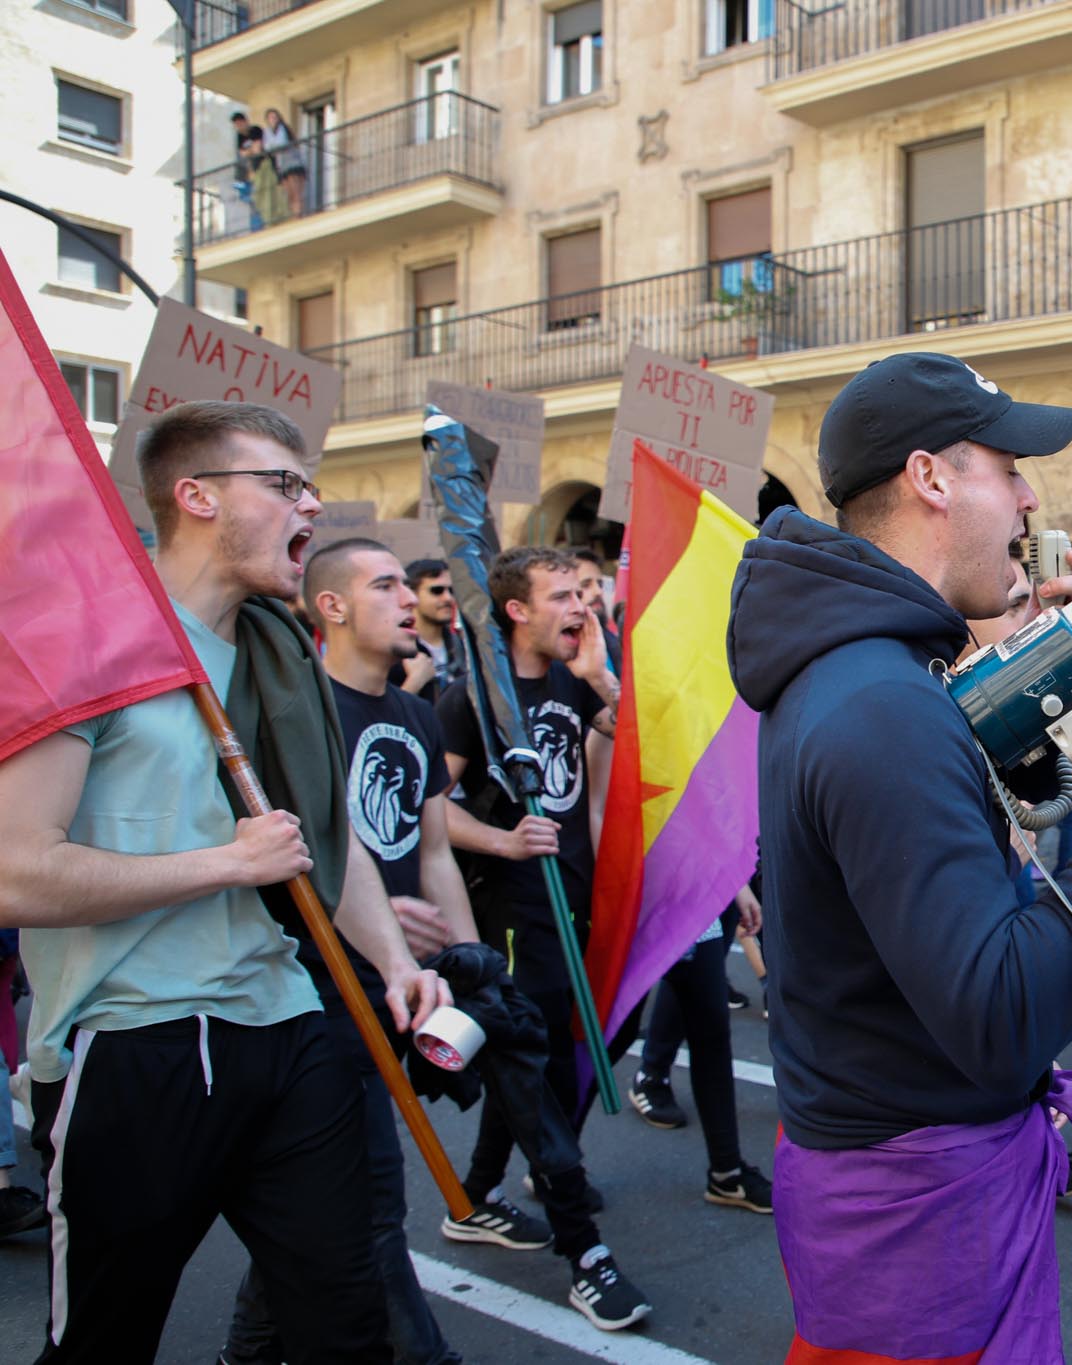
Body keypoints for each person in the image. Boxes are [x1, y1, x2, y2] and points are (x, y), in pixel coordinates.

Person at [726, 351, 1072, 1362]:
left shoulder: (867, 670)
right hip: (920, 1214)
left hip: (898, 1178)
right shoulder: (884, 702)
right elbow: (1000, 1014)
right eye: (1005, 466)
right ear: (930, 477)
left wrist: (1031, 682)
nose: (1026, 494)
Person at [0, 400, 452, 1362]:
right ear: (196, 495)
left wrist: (390, 961)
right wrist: (226, 863)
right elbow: (15, 873)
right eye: (285, 483)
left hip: (289, 1026)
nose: (313, 502)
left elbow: (319, 839)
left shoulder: (278, 652)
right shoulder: (84, 643)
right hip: (135, 1044)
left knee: (348, 1325)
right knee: (103, 1343)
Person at [231, 537, 651, 1346]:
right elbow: (318, 848)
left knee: (525, 1078)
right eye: (387, 584)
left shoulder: (415, 711)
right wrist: (411, 907)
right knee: (354, 1193)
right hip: (330, 983)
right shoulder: (296, 713)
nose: (412, 599)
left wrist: (471, 963)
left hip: (428, 963)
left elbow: (427, 850)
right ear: (333, 606)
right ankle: (266, 1343)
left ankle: (584, 1249)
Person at [437, 548, 620, 1215]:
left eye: (581, 592)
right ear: (516, 611)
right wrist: (502, 841)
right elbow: (428, 810)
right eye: (563, 596)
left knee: (545, 1050)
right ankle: (558, 1183)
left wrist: (601, 676)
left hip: (575, 896)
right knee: (532, 1055)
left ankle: (477, 1191)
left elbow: (641, 744)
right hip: (513, 907)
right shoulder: (475, 699)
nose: (580, 606)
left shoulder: (574, 681)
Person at [625, 883, 775, 1215]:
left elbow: (713, 828)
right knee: (612, 1033)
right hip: (648, 885)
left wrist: (737, 884)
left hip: (706, 888)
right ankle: (549, 1164)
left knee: (709, 1022)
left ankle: (726, 1171)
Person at [395, 557, 463, 703]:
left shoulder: (464, 646)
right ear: (411, 595)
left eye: (451, 590)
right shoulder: (395, 652)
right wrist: (414, 683)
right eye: (437, 591)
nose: (448, 598)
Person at [263, 108, 306, 218]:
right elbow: (267, 148)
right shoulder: (268, 132)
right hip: (282, 165)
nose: (273, 120)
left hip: (293, 163)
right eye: (270, 117)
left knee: (295, 191)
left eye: (275, 117)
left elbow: (281, 143)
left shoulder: (283, 129)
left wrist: (274, 147)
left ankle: (298, 214)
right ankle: (294, 214)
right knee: (289, 193)